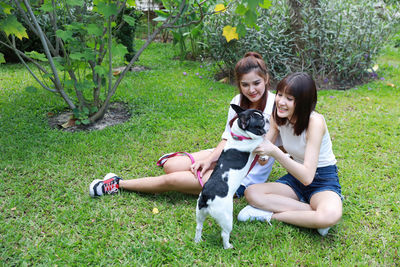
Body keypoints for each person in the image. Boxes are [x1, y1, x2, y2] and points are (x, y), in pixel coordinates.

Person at [89, 52, 278, 198]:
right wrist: (210, 159)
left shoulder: (276, 106)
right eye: (245, 85)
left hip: (241, 176)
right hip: (227, 152)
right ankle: (180, 159)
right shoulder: (238, 100)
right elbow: (228, 136)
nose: (251, 90)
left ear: (266, 79)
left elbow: (275, 150)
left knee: (171, 179)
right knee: (171, 166)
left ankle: (117, 184)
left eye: (256, 83)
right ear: (239, 84)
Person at [237, 72, 342, 237]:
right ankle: (311, 215)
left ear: (303, 103)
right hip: (295, 177)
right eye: (279, 95)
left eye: (289, 99)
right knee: (251, 192)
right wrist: (253, 144)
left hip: (321, 179)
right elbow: (264, 159)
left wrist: (275, 152)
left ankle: (271, 215)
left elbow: (308, 177)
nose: (280, 102)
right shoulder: (277, 117)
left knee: (330, 215)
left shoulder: (315, 122)